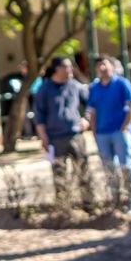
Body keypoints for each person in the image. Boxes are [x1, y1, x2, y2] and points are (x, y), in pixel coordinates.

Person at [33, 56, 92, 206]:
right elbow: (39, 116)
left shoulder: (75, 86)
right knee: (59, 174)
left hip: (75, 135)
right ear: (57, 69)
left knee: (83, 170)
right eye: (67, 67)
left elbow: (90, 103)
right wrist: (44, 138)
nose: (71, 70)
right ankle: (64, 207)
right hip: (54, 138)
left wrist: (86, 118)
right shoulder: (44, 90)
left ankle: (88, 205)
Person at [87, 55, 131, 216]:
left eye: (104, 64)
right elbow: (92, 111)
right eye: (98, 66)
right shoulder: (94, 88)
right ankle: (116, 201)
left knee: (126, 166)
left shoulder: (122, 83)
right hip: (102, 134)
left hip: (120, 132)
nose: (102, 68)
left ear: (112, 65)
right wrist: (94, 130)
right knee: (109, 169)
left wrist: (125, 126)